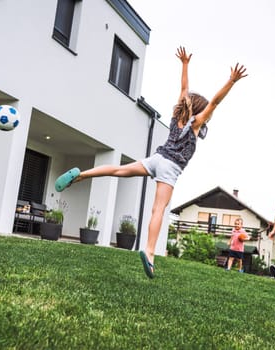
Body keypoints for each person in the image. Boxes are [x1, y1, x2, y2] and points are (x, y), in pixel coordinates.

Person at [55, 46, 247, 278]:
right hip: (170, 167)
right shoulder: (195, 123)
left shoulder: (178, 116)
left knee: (117, 169)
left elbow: (184, 88)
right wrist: (231, 81)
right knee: (158, 210)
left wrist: (185, 64)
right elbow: (215, 102)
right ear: (199, 109)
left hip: (157, 158)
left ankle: (80, 175)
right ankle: (150, 252)